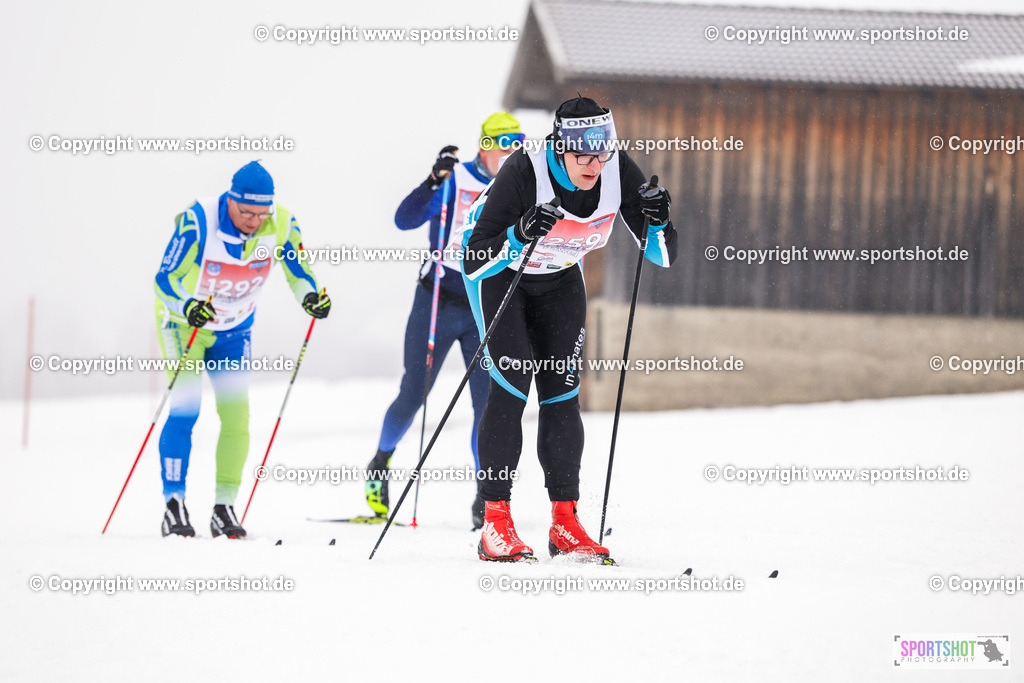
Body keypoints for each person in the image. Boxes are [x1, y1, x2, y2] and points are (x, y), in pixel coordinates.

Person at [458, 96, 676, 562]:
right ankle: (495, 523)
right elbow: (475, 261)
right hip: (502, 275)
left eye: (601, 153)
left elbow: (662, 255)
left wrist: (658, 219)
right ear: (559, 147)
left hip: (558, 277)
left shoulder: (617, 169)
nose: (594, 165)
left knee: (561, 392)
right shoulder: (525, 170)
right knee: (512, 386)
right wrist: (519, 232)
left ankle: (565, 523)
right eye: (582, 155)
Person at [154, 161, 331, 539]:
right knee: (187, 410)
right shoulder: (198, 220)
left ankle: (223, 507)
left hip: (234, 331)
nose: (253, 220)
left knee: (236, 418)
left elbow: (299, 272)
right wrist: (188, 306)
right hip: (186, 326)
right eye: (245, 212)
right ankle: (174, 504)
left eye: (260, 213)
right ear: (230, 200)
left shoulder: (281, 223)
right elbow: (164, 279)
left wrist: (311, 297)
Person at [364, 112, 524, 530]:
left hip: (482, 304)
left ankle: (485, 494)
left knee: (487, 405)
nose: (509, 157)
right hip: (437, 300)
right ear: (484, 147)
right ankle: (381, 460)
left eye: (515, 148)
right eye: (502, 148)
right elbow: (404, 219)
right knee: (413, 392)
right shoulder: (454, 179)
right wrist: (433, 180)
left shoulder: (518, 185)